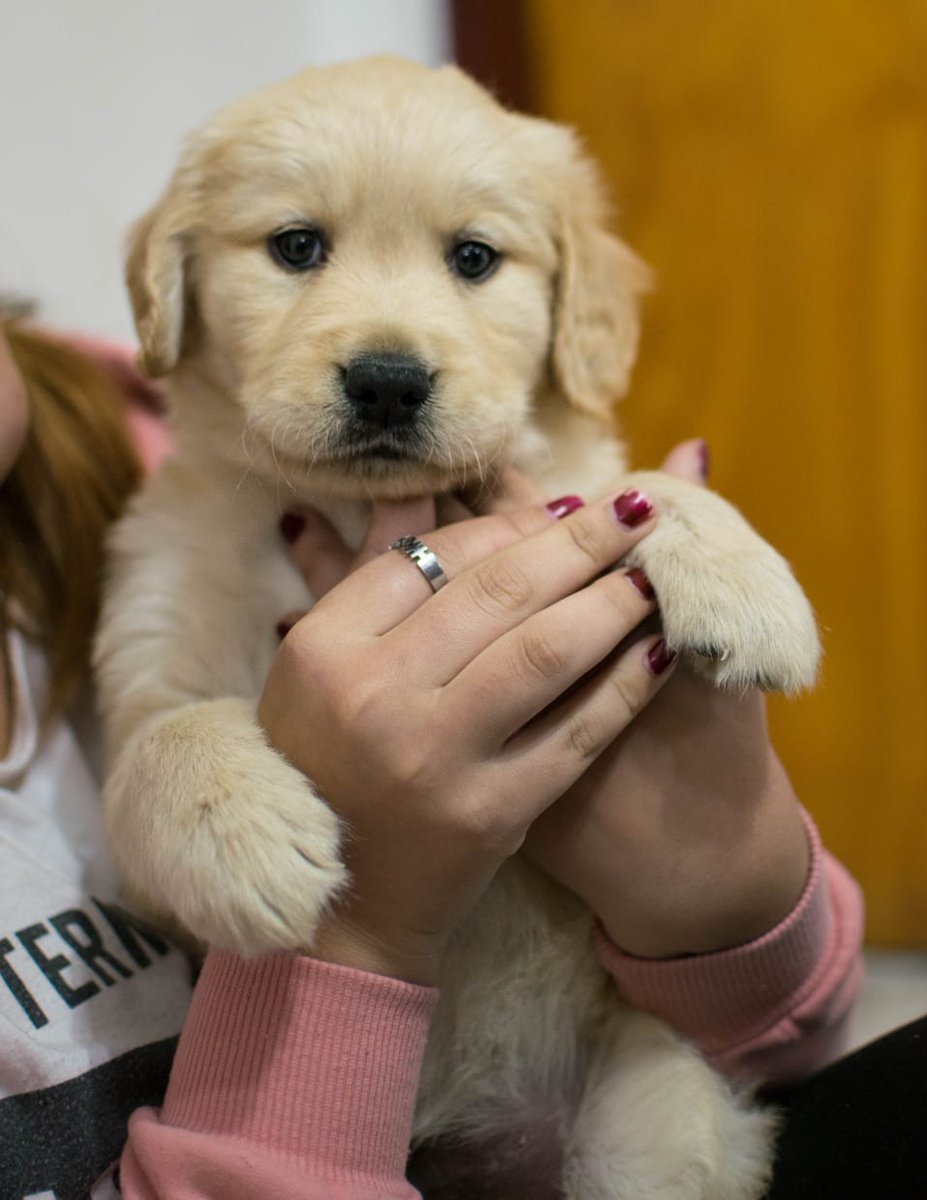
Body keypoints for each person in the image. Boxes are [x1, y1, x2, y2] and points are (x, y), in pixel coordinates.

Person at [1, 316, 865, 1200]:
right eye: (298, 246)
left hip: (616, 1073)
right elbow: (171, 761)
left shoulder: (116, 431)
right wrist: (360, 922)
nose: (395, 344)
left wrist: (732, 884)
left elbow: (788, 1032)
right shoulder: (202, 471)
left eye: (472, 253)